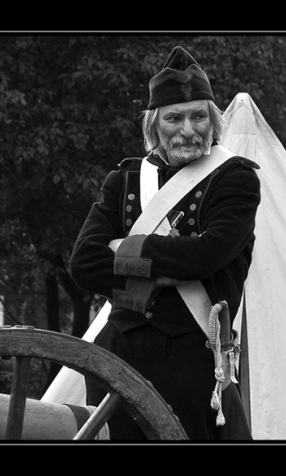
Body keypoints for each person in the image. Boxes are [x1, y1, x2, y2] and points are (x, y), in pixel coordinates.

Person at [69, 46, 260, 440]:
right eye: (174, 118)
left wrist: (125, 249)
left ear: (213, 121)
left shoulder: (235, 179)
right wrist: (167, 269)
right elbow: (84, 263)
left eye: (198, 116)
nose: (188, 129)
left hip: (192, 363)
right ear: (154, 125)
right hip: (117, 355)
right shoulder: (123, 180)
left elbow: (205, 256)